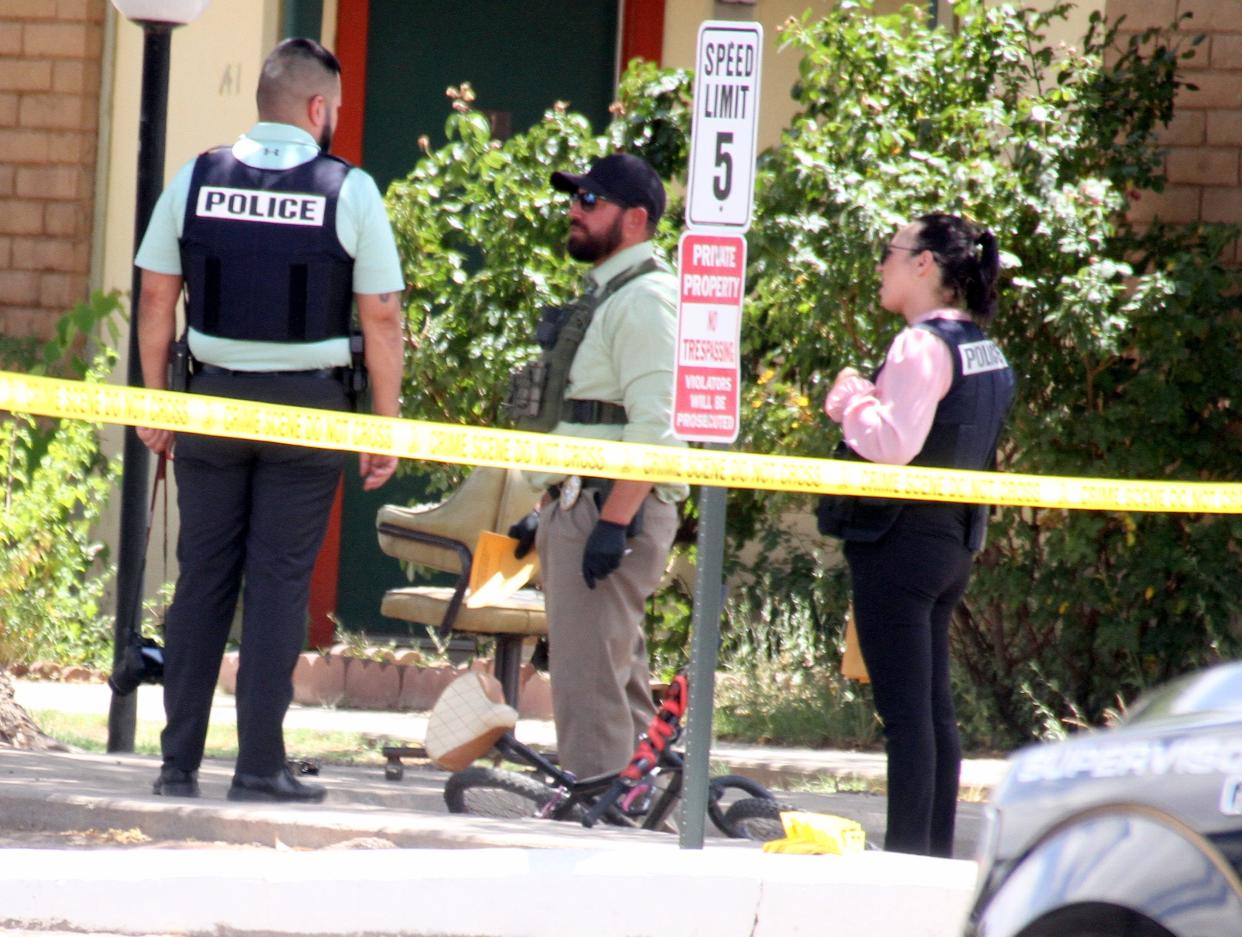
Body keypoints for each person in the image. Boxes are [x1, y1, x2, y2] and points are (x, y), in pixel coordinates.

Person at [133, 38, 405, 802]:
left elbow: (157, 297)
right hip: (309, 413)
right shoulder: (348, 190)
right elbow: (380, 317)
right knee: (280, 582)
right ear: (318, 109)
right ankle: (258, 767)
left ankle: (177, 763)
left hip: (210, 402)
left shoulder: (195, 177)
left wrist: (155, 401)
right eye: (338, 110)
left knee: (203, 578)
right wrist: (383, 425)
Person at [819, 213, 1015, 856]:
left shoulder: (919, 345)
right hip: (952, 541)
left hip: (899, 542)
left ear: (925, 264)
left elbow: (892, 444)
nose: (882, 264)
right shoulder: (982, 346)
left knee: (906, 714)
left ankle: (907, 862)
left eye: (891, 252)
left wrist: (850, 399)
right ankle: (929, 854)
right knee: (932, 710)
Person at [505, 153, 687, 780]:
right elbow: (586, 419)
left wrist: (612, 522)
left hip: (611, 508)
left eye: (590, 201)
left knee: (590, 691)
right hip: (584, 502)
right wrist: (546, 506)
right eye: (574, 198)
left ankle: (599, 823)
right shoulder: (615, 295)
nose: (573, 210)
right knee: (615, 682)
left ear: (635, 220)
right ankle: (633, 815)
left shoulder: (646, 301)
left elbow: (655, 428)